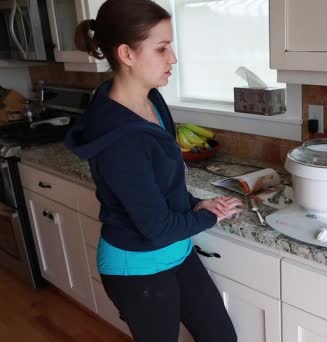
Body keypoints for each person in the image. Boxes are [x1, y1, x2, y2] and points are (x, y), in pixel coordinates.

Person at [64, 1, 241, 341]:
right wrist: (209, 218)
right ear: (126, 54)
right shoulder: (118, 138)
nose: (172, 58)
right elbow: (156, 228)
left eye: (170, 46)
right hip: (136, 267)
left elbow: (162, 184)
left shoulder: (150, 100)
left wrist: (194, 204)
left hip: (176, 251)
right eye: (161, 49)